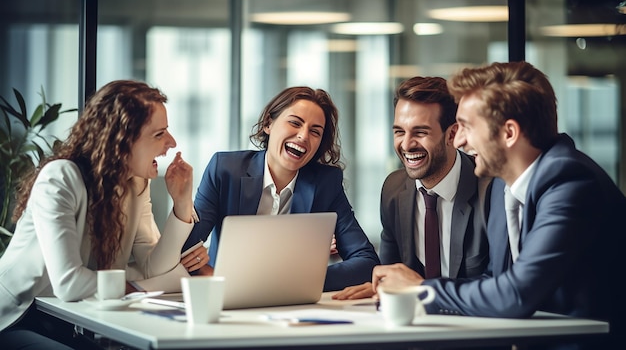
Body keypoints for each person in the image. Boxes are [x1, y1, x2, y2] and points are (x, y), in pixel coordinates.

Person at [371, 61, 626, 349]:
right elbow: (496, 280)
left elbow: (514, 294)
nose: (461, 140)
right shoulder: (502, 184)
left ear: (508, 133)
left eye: (467, 126)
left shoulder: (569, 181)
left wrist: (420, 289)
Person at [0, 80, 206, 349]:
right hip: (17, 318)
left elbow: (153, 266)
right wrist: (140, 286)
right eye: (159, 134)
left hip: (69, 320)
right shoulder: (60, 178)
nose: (172, 142)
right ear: (121, 140)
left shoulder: (135, 184)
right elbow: (69, 283)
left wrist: (181, 203)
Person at [182, 86, 380, 291]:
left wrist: (299, 280)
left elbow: (366, 261)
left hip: (290, 305)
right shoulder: (225, 170)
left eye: (315, 132)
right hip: (228, 297)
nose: (303, 136)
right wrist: (214, 275)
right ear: (269, 123)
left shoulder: (325, 183)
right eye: (295, 123)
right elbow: (186, 248)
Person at [333, 76, 490, 300]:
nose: (406, 145)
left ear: (452, 134)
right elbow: (390, 273)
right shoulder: (393, 189)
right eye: (399, 131)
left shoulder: (489, 187)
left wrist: (422, 288)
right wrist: (382, 286)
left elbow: (497, 283)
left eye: (420, 132)